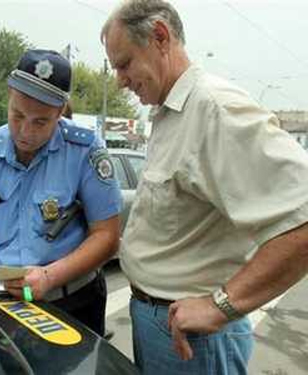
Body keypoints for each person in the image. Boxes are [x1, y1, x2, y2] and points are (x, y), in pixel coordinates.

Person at [102, 1, 308, 373]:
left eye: (124, 63)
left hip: (193, 338)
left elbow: (303, 217)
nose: (119, 79)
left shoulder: (214, 110)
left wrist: (221, 306)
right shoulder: (170, 113)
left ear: (160, 37)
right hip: (163, 323)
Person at [0, 49, 122, 336]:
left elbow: (107, 236)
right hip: (6, 300)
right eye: (17, 115)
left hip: (72, 302)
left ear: (61, 111)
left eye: (41, 122)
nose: (25, 131)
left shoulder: (85, 151)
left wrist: (49, 276)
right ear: (10, 95)